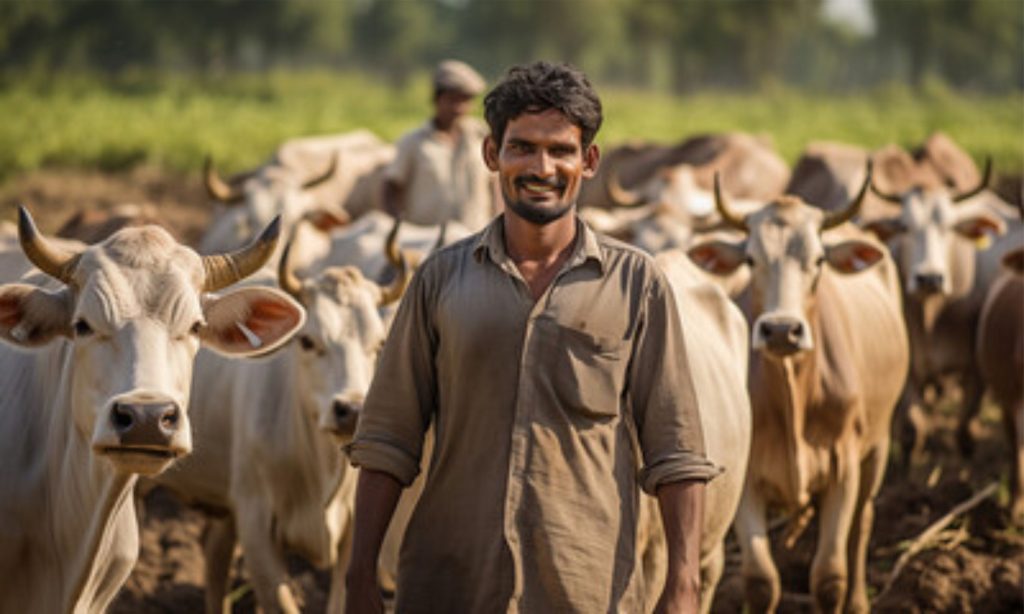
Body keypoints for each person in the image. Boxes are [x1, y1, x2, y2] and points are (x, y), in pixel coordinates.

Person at [346, 61, 719, 614]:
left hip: (585, 586)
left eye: (561, 150)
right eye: (522, 147)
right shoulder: (440, 279)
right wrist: (358, 579)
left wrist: (683, 585)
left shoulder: (637, 284)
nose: (541, 167)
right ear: (492, 155)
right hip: (450, 584)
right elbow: (387, 439)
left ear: (588, 162)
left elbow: (677, 449)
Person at [382, 59, 499, 231]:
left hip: (475, 238)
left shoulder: (482, 138)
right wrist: (400, 229)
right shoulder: (413, 142)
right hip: (426, 242)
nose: (459, 108)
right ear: (437, 99)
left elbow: (495, 185)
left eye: (465, 101)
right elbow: (391, 188)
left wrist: (498, 225)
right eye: (453, 100)